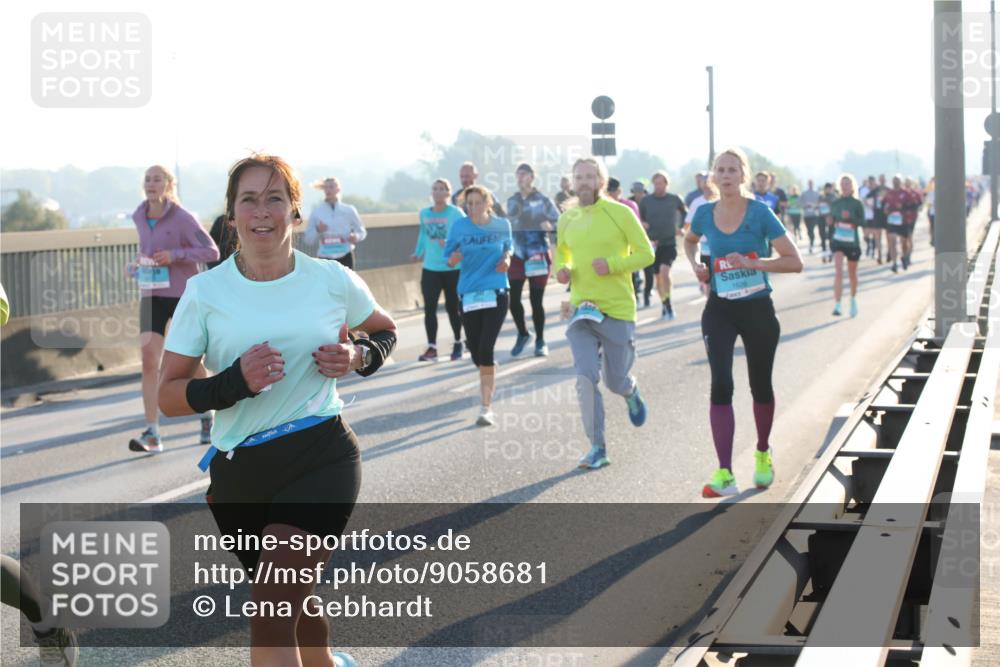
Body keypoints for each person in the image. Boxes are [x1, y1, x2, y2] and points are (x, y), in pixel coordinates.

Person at [159, 154, 396, 667]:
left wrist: (359, 355)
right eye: (249, 199)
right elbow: (169, 395)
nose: (261, 211)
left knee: (271, 602)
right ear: (232, 215)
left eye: (275, 198)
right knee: (290, 600)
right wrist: (230, 383)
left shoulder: (332, 280)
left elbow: (384, 328)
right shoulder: (204, 292)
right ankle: (326, 663)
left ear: (295, 212)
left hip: (321, 455)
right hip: (238, 472)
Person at [683, 147, 803, 497]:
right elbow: (689, 241)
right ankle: (724, 472)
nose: (726, 175)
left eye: (733, 170)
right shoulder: (705, 213)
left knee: (759, 385)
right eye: (720, 170)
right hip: (719, 307)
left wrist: (756, 263)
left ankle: (763, 452)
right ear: (713, 176)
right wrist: (697, 266)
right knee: (721, 384)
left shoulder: (761, 213)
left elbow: (794, 262)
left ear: (743, 175)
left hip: (757, 310)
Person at [556, 157, 654, 469]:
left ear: (601, 180)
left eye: (589, 176)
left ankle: (630, 391)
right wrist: (563, 269)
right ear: (573, 182)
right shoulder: (567, 218)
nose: (583, 182)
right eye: (578, 177)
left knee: (615, 381)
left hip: (617, 308)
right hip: (582, 310)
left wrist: (613, 265)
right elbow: (563, 253)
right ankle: (597, 446)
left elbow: (646, 254)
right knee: (585, 377)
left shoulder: (620, 213)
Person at [126, 164, 219, 454]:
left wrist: (175, 255)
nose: (151, 183)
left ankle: (207, 414)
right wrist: (138, 266)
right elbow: (148, 251)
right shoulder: (139, 215)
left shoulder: (182, 217)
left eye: (157, 179)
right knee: (148, 360)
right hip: (151, 294)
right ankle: (153, 432)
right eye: (147, 179)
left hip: (181, 295)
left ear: (169, 184)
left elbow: (211, 251)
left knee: (189, 361)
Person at [443, 185, 513, 426]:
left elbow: (508, 248)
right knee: (476, 352)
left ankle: (486, 408)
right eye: (469, 204)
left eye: (477, 203)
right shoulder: (460, 227)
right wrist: (453, 259)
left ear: (488, 203)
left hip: (496, 292)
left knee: (485, 347)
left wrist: (506, 259)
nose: (472, 208)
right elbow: (447, 256)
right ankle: (488, 366)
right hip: (468, 294)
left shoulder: (502, 225)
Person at [506, 163, 560, 357]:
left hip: (537, 253)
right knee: (513, 300)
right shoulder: (512, 201)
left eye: (523, 174)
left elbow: (559, 222)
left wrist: (550, 226)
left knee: (536, 301)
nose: (520, 177)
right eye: (517, 174)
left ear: (531, 177)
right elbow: (507, 224)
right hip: (518, 254)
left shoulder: (543, 200)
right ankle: (522, 333)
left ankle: (540, 340)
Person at [412, 178, 465, 361]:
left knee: (452, 308)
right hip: (430, 267)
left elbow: (465, 235)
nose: (438, 192)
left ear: (448, 193)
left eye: (442, 189)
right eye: (435, 189)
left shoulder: (456, 213)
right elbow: (423, 235)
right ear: (431, 192)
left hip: (452, 267)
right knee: (429, 309)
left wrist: (452, 245)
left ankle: (458, 342)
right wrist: (417, 252)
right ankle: (432, 347)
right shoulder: (424, 213)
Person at [638, 170, 687, 320]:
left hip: (669, 242)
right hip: (653, 243)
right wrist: (643, 224)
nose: (658, 186)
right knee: (658, 278)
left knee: (665, 272)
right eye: (655, 183)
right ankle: (665, 303)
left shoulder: (674, 199)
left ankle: (669, 304)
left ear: (666, 183)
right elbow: (639, 218)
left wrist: (682, 227)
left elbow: (685, 213)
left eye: (661, 183)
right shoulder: (646, 201)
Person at [304, 177, 367, 269]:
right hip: (325, 257)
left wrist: (355, 237)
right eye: (326, 187)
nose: (328, 190)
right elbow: (307, 239)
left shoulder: (349, 210)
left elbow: (362, 231)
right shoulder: (317, 212)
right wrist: (317, 229)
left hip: (345, 255)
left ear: (338, 189)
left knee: (345, 284)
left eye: (331, 187)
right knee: (326, 284)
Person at [829, 174, 865, 317]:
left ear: (852, 186)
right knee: (838, 271)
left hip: (853, 242)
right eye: (843, 183)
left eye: (848, 183)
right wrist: (830, 221)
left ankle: (853, 300)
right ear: (839, 186)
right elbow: (832, 222)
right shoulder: (835, 203)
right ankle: (837, 305)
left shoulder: (857, 203)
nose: (845, 186)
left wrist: (850, 218)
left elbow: (863, 222)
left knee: (852, 274)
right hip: (838, 241)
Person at [607, 178, 645, 302]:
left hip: (628, 246)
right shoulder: (601, 207)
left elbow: (637, 229)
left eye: (613, 191)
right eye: (608, 191)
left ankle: (634, 295)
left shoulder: (629, 205)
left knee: (630, 273)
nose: (611, 194)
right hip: (609, 247)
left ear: (620, 190)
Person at [684, 174, 720, 295]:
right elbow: (688, 223)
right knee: (709, 283)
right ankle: (710, 300)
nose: (707, 187)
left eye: (710, 184)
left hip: (722, 248)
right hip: (705, 247)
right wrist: (689, 234)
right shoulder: (697, 203)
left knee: (721, 281)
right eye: (705, 184)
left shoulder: (722, 201)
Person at [630, 181, 655, 306]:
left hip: (649, 240)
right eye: (636, 192)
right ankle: (635, 296)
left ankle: (647, 295)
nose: (638, 194)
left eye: (640, 192)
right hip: (632, 242)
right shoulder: (629, 203)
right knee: (633, 271)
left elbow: (655, 219)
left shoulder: (650, 202)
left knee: (649, 271)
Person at [882, 174, 908, 273]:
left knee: (904, 243)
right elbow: (883, 204)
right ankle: (894, 263)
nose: (895, 183)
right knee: (892, 241)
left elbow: (913, 205)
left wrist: (903, 207)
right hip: (892, 220)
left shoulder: (905, 193)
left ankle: (904, 257)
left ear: (900, 182)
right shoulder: (889, 193)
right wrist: (885, 210)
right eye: (894, 181)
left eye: (897, 181)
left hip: (903, 221)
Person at [799, 179, 823, 255]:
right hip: (806, 215)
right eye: (809, 183)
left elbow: (821, 204)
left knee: (813, 229)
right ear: (808, 184)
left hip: (814, 214)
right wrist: (805, 205)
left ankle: (812, 244)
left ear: (813, 184)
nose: (810, 185)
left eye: (811, 183)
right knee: (809, 230)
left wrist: (814, 205)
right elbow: (799, 202)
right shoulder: (804, 193)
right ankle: (811, 241)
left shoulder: (817, 194)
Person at [859, 175, 878, 258]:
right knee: (865, 235)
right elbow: (863, 200)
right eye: (869, 182)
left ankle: (873, 250)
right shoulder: (864, 190)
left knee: (874, 233)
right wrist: (868, 204)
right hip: (866, 215)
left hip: (875, 216)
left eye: (872, 182)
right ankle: (869, 244)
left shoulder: (877, 190)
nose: (871, 183)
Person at [819, 182, 838, 263]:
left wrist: (831, 217)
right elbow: (819, 206)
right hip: (821, 218)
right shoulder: (821, 197)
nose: (828, 190)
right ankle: (824, 253)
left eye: (830, 188)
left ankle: (831, 253)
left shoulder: (834, 197)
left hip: (831, 219)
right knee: (822, 236)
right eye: (827, 188)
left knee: (831, 237)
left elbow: (835, 208)